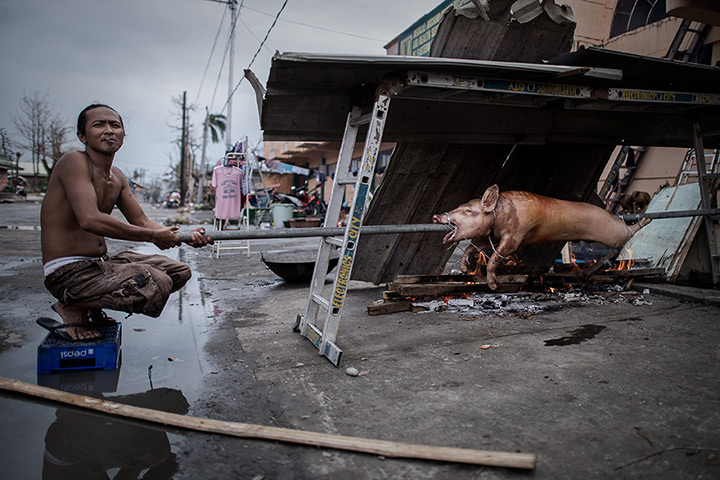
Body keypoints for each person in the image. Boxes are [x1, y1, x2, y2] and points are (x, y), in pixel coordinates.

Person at [40, 104, 212, 341]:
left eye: (115, 125)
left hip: (99, 264)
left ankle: (90, 306)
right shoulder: (74, 162)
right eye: (99, 125)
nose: (109, 130)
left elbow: (142, 221)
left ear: (123, 135)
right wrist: (153, 237)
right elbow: (89, 219)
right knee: (156, 282)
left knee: (179, 272)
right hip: (67, 273)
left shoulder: (117, 176)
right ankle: (73, 305)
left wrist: (184, 235)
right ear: (82, 135)